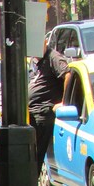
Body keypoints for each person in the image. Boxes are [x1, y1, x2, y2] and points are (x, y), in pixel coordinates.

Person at [28, 44, 71, 176]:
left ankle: (31, 182)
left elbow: (67, 74)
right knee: (29, 153)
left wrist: (64, 101)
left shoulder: (53, 57)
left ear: (44, 41)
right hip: (31, 111)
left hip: (43, 110)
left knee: (37, 153)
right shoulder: (34, 60)